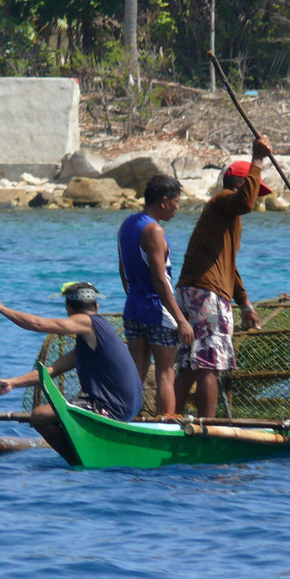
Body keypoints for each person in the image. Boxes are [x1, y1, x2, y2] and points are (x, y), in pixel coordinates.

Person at [0, 282, 143, 465]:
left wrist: (1, 308)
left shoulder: (87, 321)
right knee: (47, 414)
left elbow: (38, 323)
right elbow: (52, 371)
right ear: (97, 306)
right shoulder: (93, 340)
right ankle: (84, 453)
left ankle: (78, 461)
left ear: (68, 308)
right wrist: (12, 383)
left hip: (112, 407)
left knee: (40, 416)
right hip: (126, 406)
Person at [174, 134, 274, 418]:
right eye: (253, 188)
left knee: (192, 366)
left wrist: (245, 303)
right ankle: (207, 425)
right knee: (209, 364)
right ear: (241, 184)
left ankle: (171, 419)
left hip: (196, 291)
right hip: (205, 293)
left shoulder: (227, 218)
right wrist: (258, 158)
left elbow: (230, 265)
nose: (256, 196)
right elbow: (245, 202)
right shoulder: (224, 200)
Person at [118, 175, 194, 415]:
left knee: (135, 373)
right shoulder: (154, 231)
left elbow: (123, 269)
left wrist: (134, 297)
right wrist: (181, 320)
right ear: (163, 201)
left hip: (133, 307)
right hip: (158, 311)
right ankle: (166, 424)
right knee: (165, 373)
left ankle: (127, 418)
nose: (177, 208)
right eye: (176, 202)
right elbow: (160, 280)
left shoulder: (128, 224)